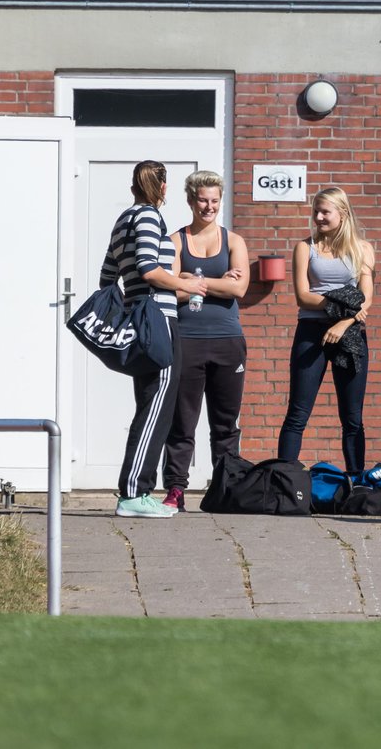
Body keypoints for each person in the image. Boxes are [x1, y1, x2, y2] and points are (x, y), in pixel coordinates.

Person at [100, 160, 206, 518]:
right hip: (158, 321)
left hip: (142, 320)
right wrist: (185, 284)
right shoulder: (147, 217)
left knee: (150, 403)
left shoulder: (123, 220)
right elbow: (148, 268)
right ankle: (134, 493)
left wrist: (136, 299)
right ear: (162, 187)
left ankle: (135, 491)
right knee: (156, 407)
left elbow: (107, 277)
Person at [160, 170, 250, 512]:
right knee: (182, 420)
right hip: (187, 340)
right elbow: (170, 291)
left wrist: (192, 280)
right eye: (202, 200)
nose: (208, 207)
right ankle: (176, 491)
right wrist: (216, 281)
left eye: (214, 201)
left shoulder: (233, 241)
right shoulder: (176, 241)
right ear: (190, 200)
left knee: (225, 424)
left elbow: (239, 289)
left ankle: (227, 490)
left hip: (228, 341)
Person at [277, 187, 376, 477]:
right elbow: (303, 297)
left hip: (350, 334)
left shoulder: (363, 249)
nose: (318, 217)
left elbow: (366, 298)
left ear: (342, 214)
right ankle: (284, 479)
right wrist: (345, 305)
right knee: (297, 412)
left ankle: (356, 481)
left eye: (325, 212)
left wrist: (343, 323)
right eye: (316, 212)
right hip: (310, 332)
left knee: (352, 417)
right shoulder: (304, 248)